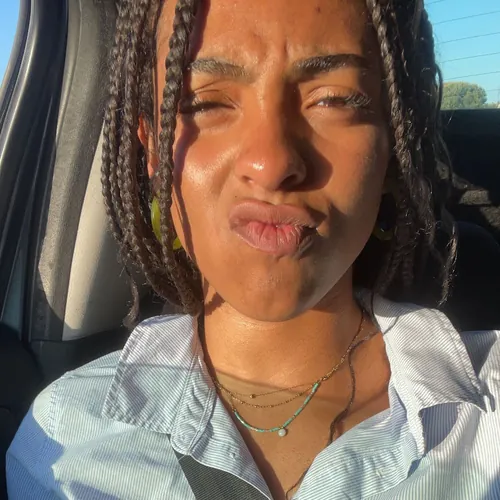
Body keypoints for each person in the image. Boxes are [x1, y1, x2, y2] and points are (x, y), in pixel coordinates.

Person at [6, 0, 500, 498]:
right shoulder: (61, 438)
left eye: (333, 99)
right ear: (153, 149)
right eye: (205, 103)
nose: (272, 162)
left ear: (393, 144)